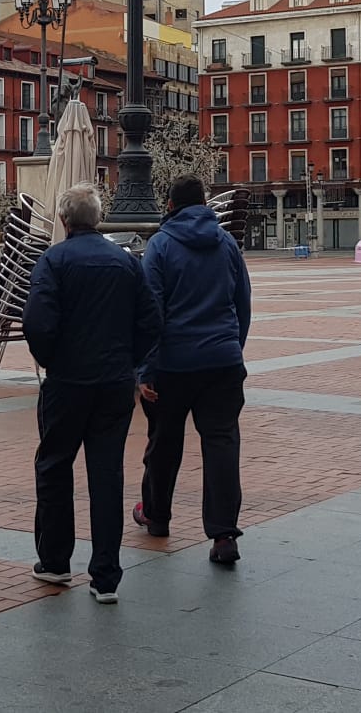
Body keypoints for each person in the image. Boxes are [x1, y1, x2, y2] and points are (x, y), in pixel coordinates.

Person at [22, 183, 162, 604]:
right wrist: (129, 361)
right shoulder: (125, 263)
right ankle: (105, 576)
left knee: (54, 467)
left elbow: (37, 323)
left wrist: (52, 359)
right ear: (98, 219)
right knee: (106, 475)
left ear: (64, 221)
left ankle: (56, 561)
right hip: (113, 384)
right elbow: (151, 320)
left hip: (66, 383)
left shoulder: (53, 261)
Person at [133, 177, 252, 565]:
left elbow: (151, 310)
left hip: (173, 364)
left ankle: (156, 515)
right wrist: (234, 346)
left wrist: (145, 369)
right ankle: (222, 535)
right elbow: (243, 302)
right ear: (203, 203)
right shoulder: (227, 244)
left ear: (169, 205)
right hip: (222, 361)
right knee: (221, 445)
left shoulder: (161, 245)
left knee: (164, 442)